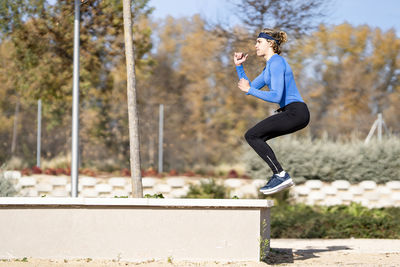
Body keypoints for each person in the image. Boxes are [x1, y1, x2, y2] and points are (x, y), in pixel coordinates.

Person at [234, 28, 310, 195]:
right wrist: (239, 66)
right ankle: (279, 174)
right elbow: (249, 87)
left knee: (252, 135)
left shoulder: (276, 62)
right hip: (292, 112)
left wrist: (249, 89)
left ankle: (280, 175)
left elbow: (276, 95)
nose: (255, 46)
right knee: (255, 137)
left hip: (296, 111)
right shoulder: (269, 67)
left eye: (259, 42)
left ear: (270, 43)